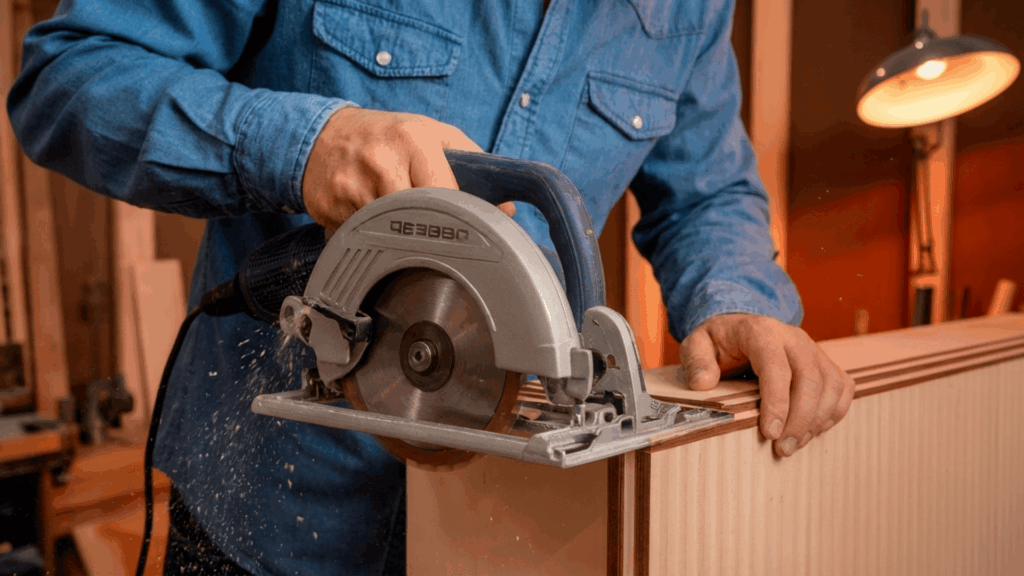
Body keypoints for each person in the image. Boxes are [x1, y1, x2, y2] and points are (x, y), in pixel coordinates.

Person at [8, 0, 855, 574]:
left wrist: (735, 295)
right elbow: (68, 78)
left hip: (511, 520)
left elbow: (706, 191)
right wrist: (305, 144)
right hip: (271, 502)